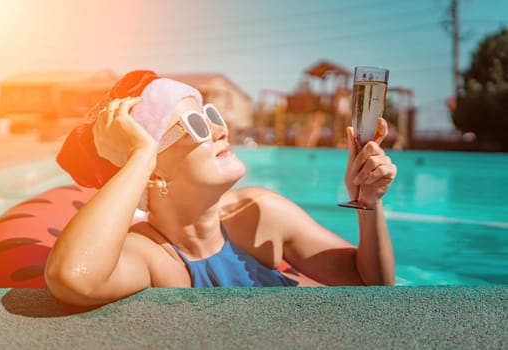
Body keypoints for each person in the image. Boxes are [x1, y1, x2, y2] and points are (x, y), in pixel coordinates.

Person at [45, 70, 397, 306]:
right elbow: (73, 278)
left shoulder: (259, 214)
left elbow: (374, 290)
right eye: (196, 125)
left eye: (211, 115)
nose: (220, 130)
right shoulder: (153, 256)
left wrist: (369, 203)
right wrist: (139, 156)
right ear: (153, 172)